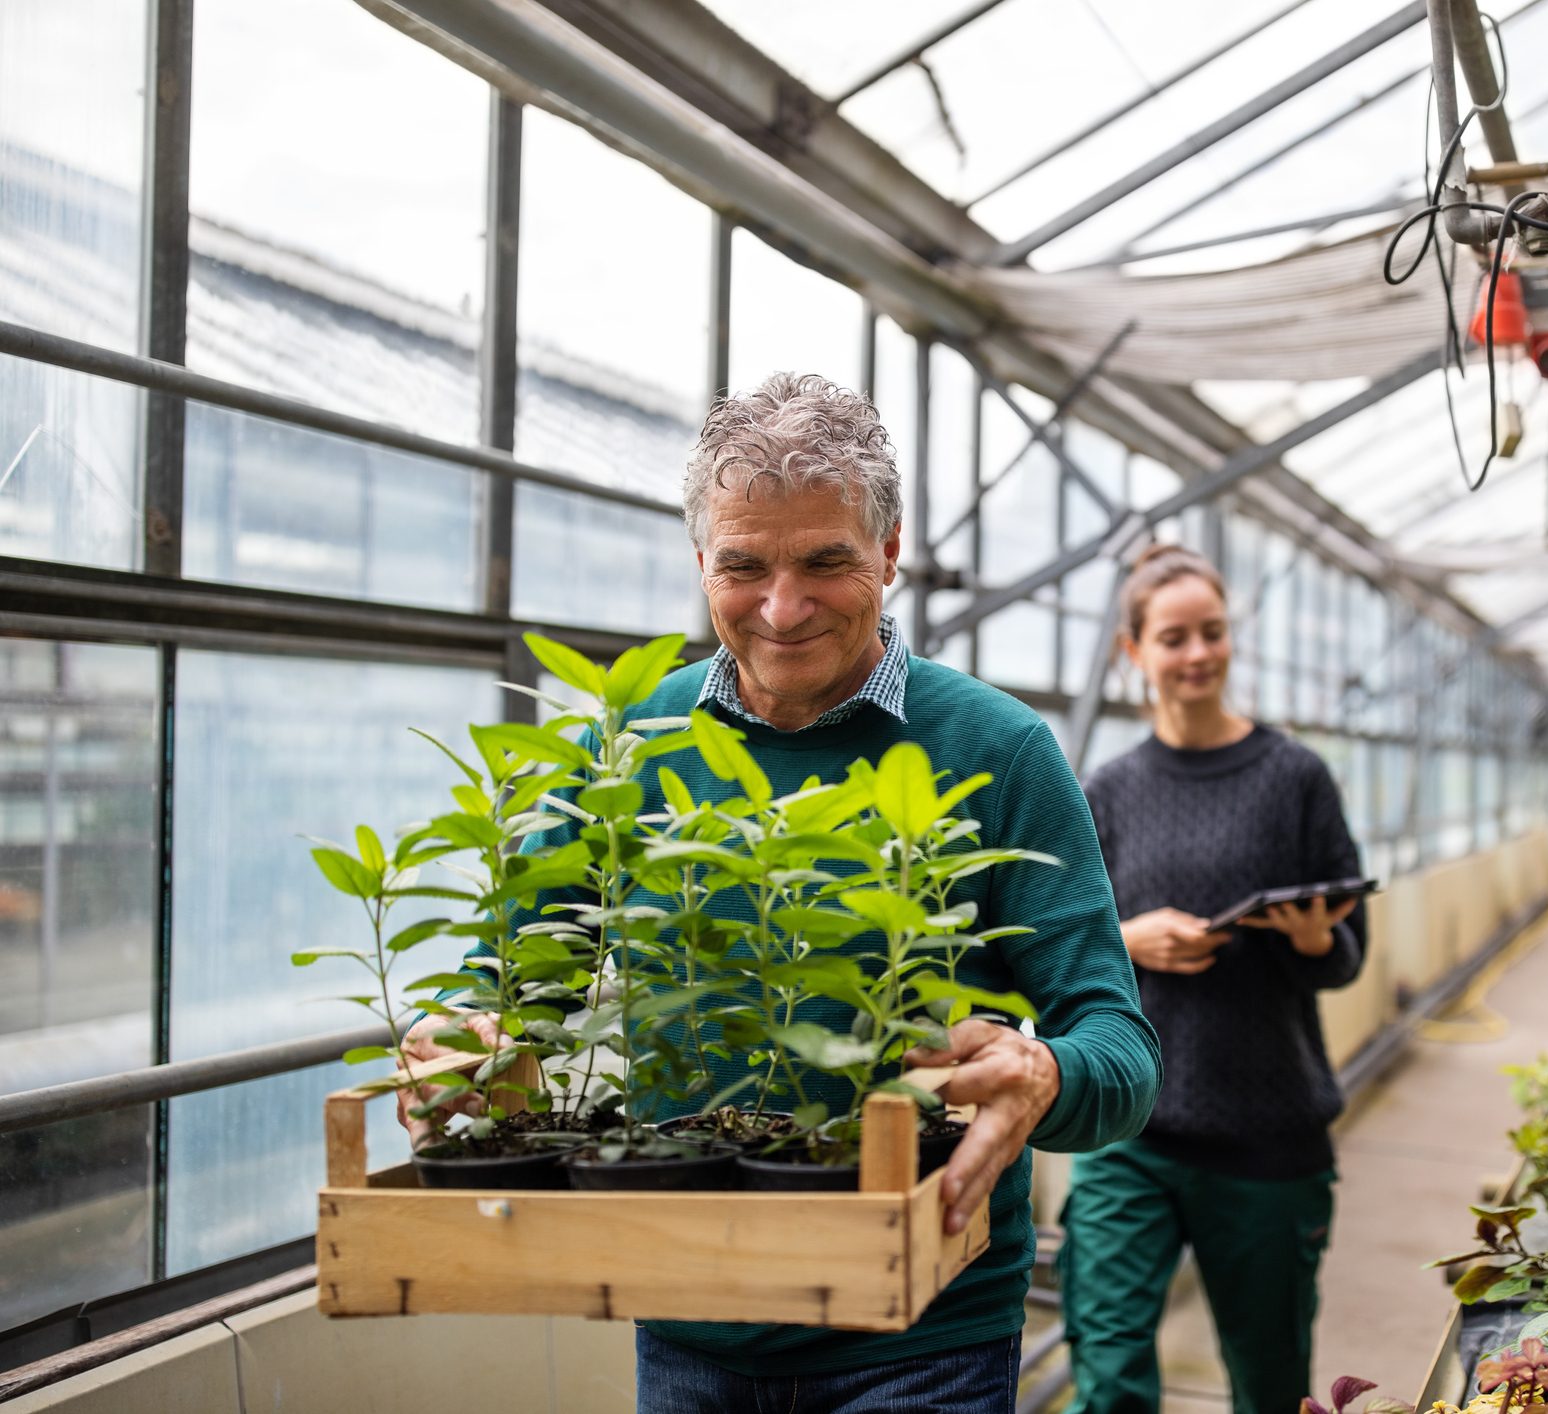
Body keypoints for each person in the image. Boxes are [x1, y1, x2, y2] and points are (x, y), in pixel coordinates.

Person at [398, 373, 1162, 1413]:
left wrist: (1041, 1071)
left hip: (921, 1334)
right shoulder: (634, 747)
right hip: (687, 1319)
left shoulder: (999, 748)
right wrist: (469, 1042)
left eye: (826, 562)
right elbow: (516, 984)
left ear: (890, 553)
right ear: (701, 560)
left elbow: (1121, 1053)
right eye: (744, 565)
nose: (782, 607)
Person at [1060, 543, 1367, 1414]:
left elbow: (1350, 955)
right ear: (1135, 653)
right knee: (1109, 1375)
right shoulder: (1106, 791)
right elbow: (1065, 949)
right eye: (1173, 637)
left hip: (1267, 1136)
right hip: (1129, 1132)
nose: (1196, 653)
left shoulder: (1293, 777)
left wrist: (1312, 940)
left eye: (1212, 632)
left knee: (1268, 1384)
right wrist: (1131, 940)